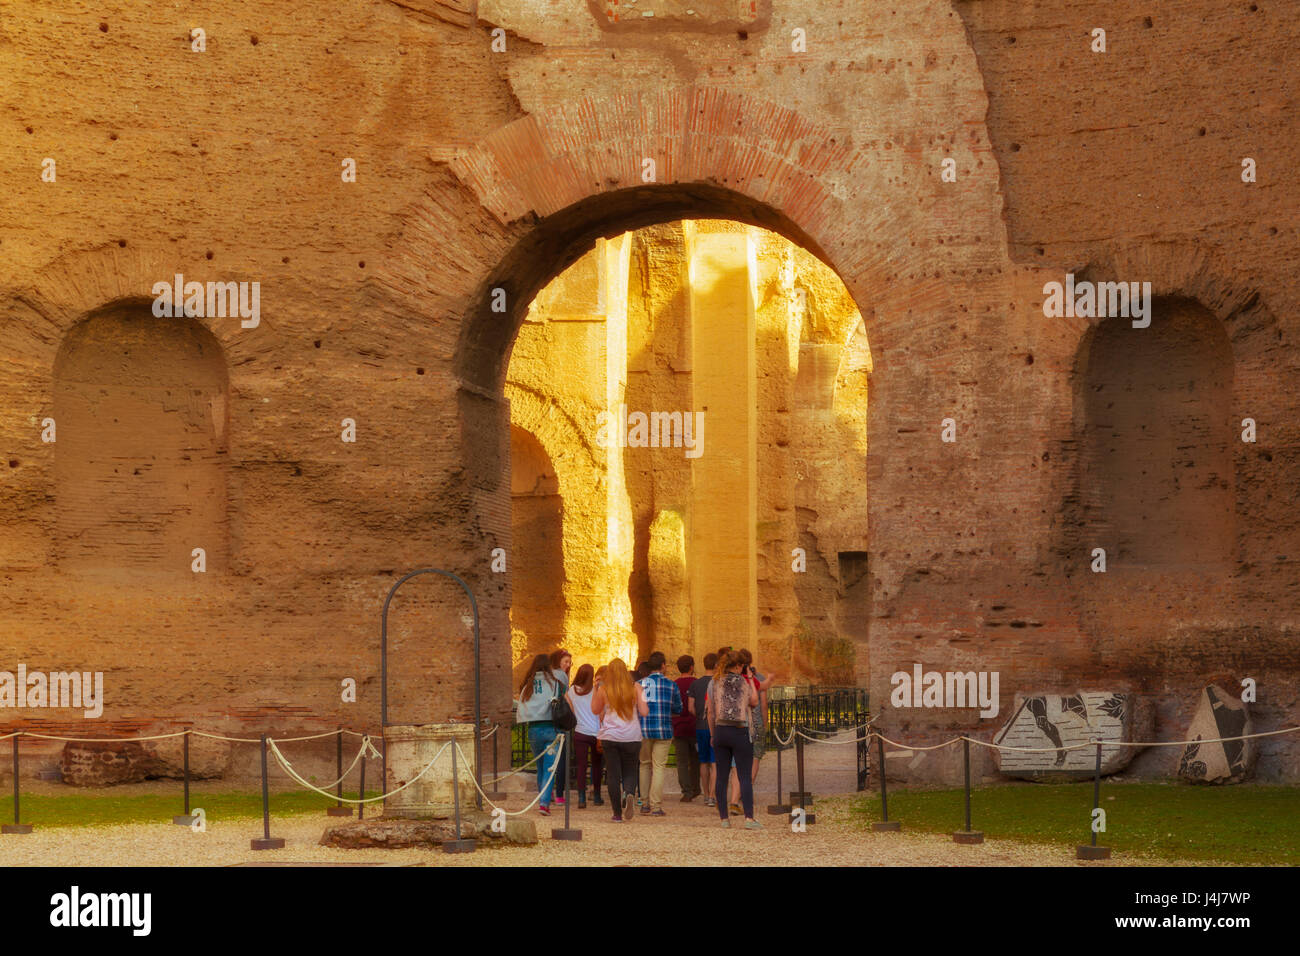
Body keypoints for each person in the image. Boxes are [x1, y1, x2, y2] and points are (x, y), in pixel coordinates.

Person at [707, 649, 761, 829]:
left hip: (721, 730)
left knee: (721, 776)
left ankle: (724, 818)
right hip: (740, 730)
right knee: (744, 775)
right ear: (738, 666)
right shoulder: (743, 681)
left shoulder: (715, 682)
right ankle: (749, 818)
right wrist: (751, 679)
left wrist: (713, 734)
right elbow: (754, 702)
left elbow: (711, 711)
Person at [591, 658, 647, 822]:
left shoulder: (604, 689)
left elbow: (595, 710)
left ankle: (616, 813)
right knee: (630, 770)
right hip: (632, 736)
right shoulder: (636, 687)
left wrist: (595, 689)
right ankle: (629, 793)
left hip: (610, 736)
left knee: (613, 775)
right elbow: (644, 712)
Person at [515, 653, 563, 816]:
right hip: (551, 729)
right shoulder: (555, 683)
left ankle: (542, 799)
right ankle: (544, 803)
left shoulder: (527, 684)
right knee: (550, 768)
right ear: (549, 666)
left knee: (541, 767)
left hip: (533, 730)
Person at [729, 648, 775, 813]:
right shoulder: (757, 678)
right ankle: (745, 792)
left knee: (737, 763)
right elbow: (763, 703)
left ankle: (735, 798)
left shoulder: (732, 678)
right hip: (754, 723)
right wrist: (764, 722)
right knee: (754, 759)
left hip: (736, 724)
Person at [637, 651, 682, 816]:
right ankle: (656, 806)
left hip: (643, 730)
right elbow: (678, 708)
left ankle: (644, 803)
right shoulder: (671, 685)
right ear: (663, 666)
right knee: (658, 767)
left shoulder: (639, 683)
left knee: (644, 765)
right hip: (663, 729)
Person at [567, 663, 603, 808]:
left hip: (580, 731)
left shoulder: (572, 690)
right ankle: (596, 795)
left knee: (581, 765)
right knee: (597, 765)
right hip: (596, 732)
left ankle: (581, 798)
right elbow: (601, 712)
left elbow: (571, 709)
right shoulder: (596, 690)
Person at [690, 652, 718, 807]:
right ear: (716, 665)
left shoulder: (696, 684)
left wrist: (699, 715)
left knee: (703, 761)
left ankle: (706, 794)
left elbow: (690, 707)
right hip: (714, 725)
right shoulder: (717, 682)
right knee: (714, 762)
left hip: (700, 726)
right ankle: (713, 795)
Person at [672, 655, 700, 801]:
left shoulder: (674, 684)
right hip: (694, 726)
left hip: (679, 727)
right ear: (691, 667)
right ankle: (696, 787)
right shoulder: (696, 683)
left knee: (681, 761)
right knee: (695, 759)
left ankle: (686, 791)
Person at [550, 649, 572, 804]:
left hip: (547, 719)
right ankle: (559, 795)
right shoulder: (561, 675)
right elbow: (566, 697)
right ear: (558, 661)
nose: (568, 665)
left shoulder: (547, 674)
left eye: (570, 662)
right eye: (566, 662)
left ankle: (547, 792)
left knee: (549, 757)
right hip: (560, 719)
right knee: (561, 758)